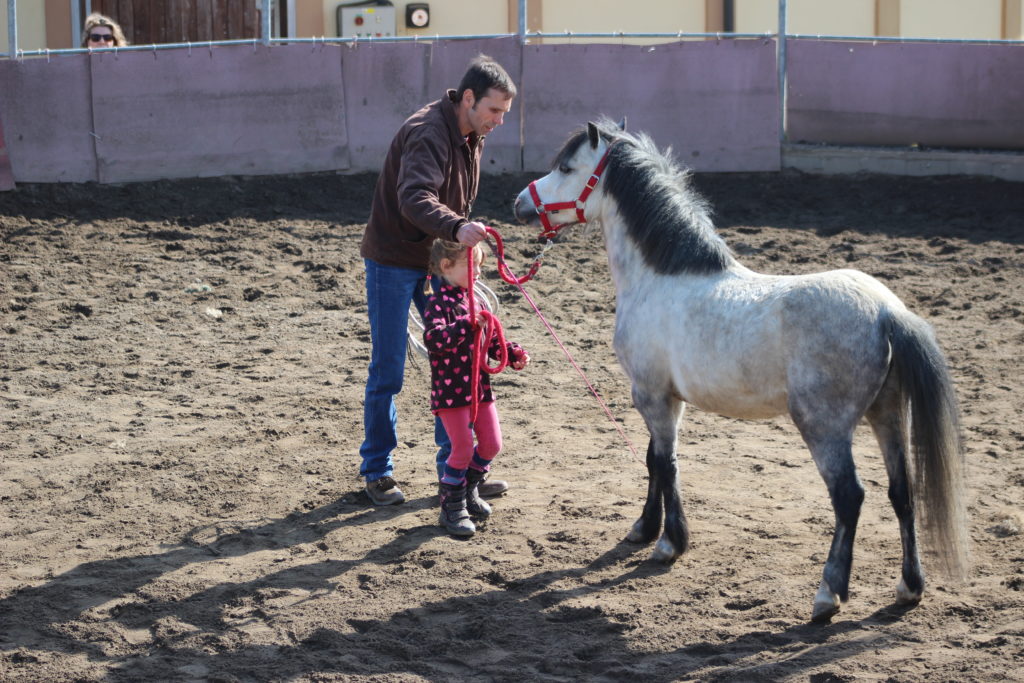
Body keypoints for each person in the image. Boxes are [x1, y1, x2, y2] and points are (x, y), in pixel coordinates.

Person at [358, 54, 517, 506]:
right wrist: (456, 228)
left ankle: (459, 469)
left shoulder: (471, 134)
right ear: (468, 98)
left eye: (504, 113)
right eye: (494, 110)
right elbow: (415, 196)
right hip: (393, 259)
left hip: (439, 262)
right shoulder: (429, 132)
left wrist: (457, 235)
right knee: (388, 368)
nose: (499, 121)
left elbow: (451, 200)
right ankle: (377, 470)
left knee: (459, 359)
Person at [423, 240, 529, 536]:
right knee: (462, 448)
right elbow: (435, 340)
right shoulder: (438, 303)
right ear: (446, 267)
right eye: (473, 266)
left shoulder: (477, 301)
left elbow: (492, 340)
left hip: (480, 388)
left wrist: (512, 353)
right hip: (452, 392)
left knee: (492, 444)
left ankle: (469, 489)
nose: (479, 272)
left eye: (481, 265)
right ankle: (451, 507)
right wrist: (465, 326)